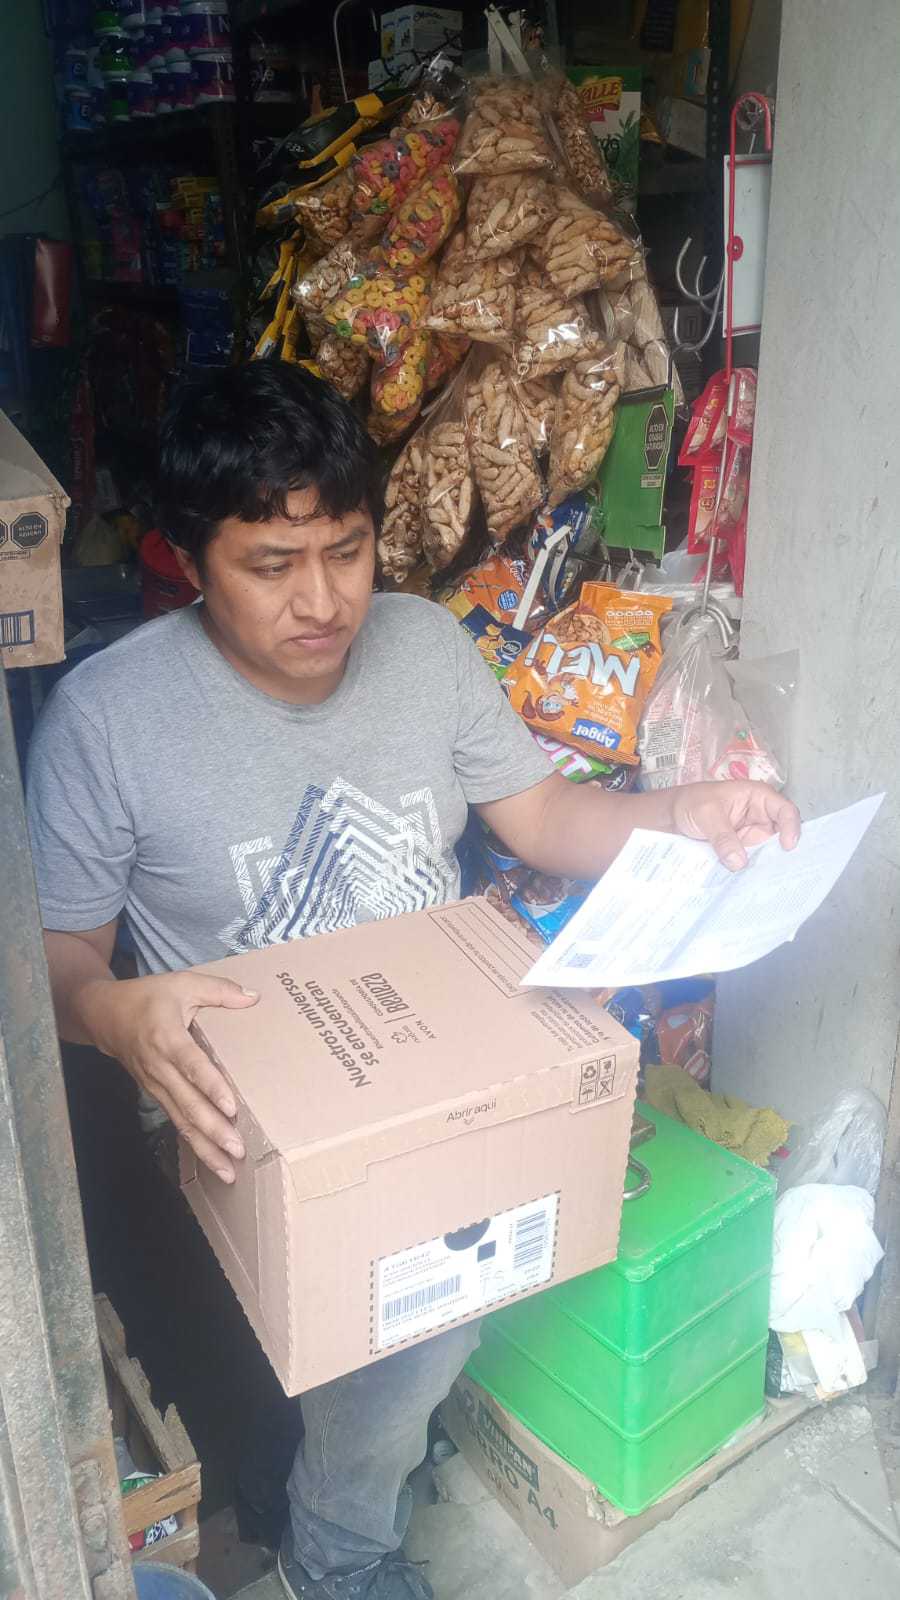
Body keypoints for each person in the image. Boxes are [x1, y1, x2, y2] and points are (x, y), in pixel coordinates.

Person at [26, 363, 800, 1600]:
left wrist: (687, 812)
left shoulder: (428, 648)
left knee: (466, 1275)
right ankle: (340, 1552)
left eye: (347, 550)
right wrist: (116, 1013)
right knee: (409, 1318)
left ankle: (342, 1514)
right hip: (247, 1101)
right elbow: (56, 958)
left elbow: (541, 817)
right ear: (186, 556)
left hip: (438, 1046)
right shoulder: (108, 720)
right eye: (272, 564)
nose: (324, 600)